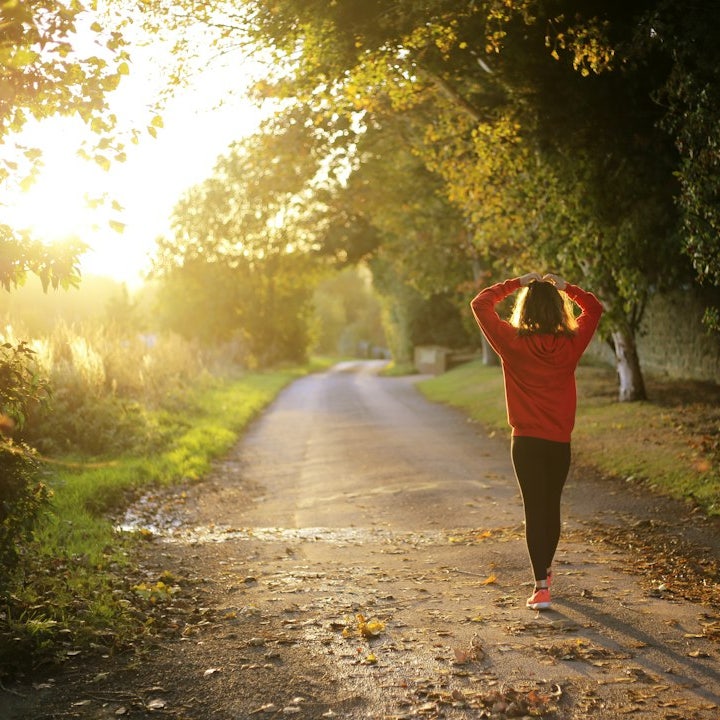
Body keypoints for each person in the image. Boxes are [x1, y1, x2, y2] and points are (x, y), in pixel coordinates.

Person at [470, 272, 603, 610]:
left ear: (524, 309)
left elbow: (480, 304)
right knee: (551, 507)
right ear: (559, 310)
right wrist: (566, 287)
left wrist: (516, 283)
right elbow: (595, 308)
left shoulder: (511, 341)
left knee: (534, 509)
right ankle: (544, 573)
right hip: (558, 442)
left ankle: (541, 586)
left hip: (526, 442)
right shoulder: (571, 343)